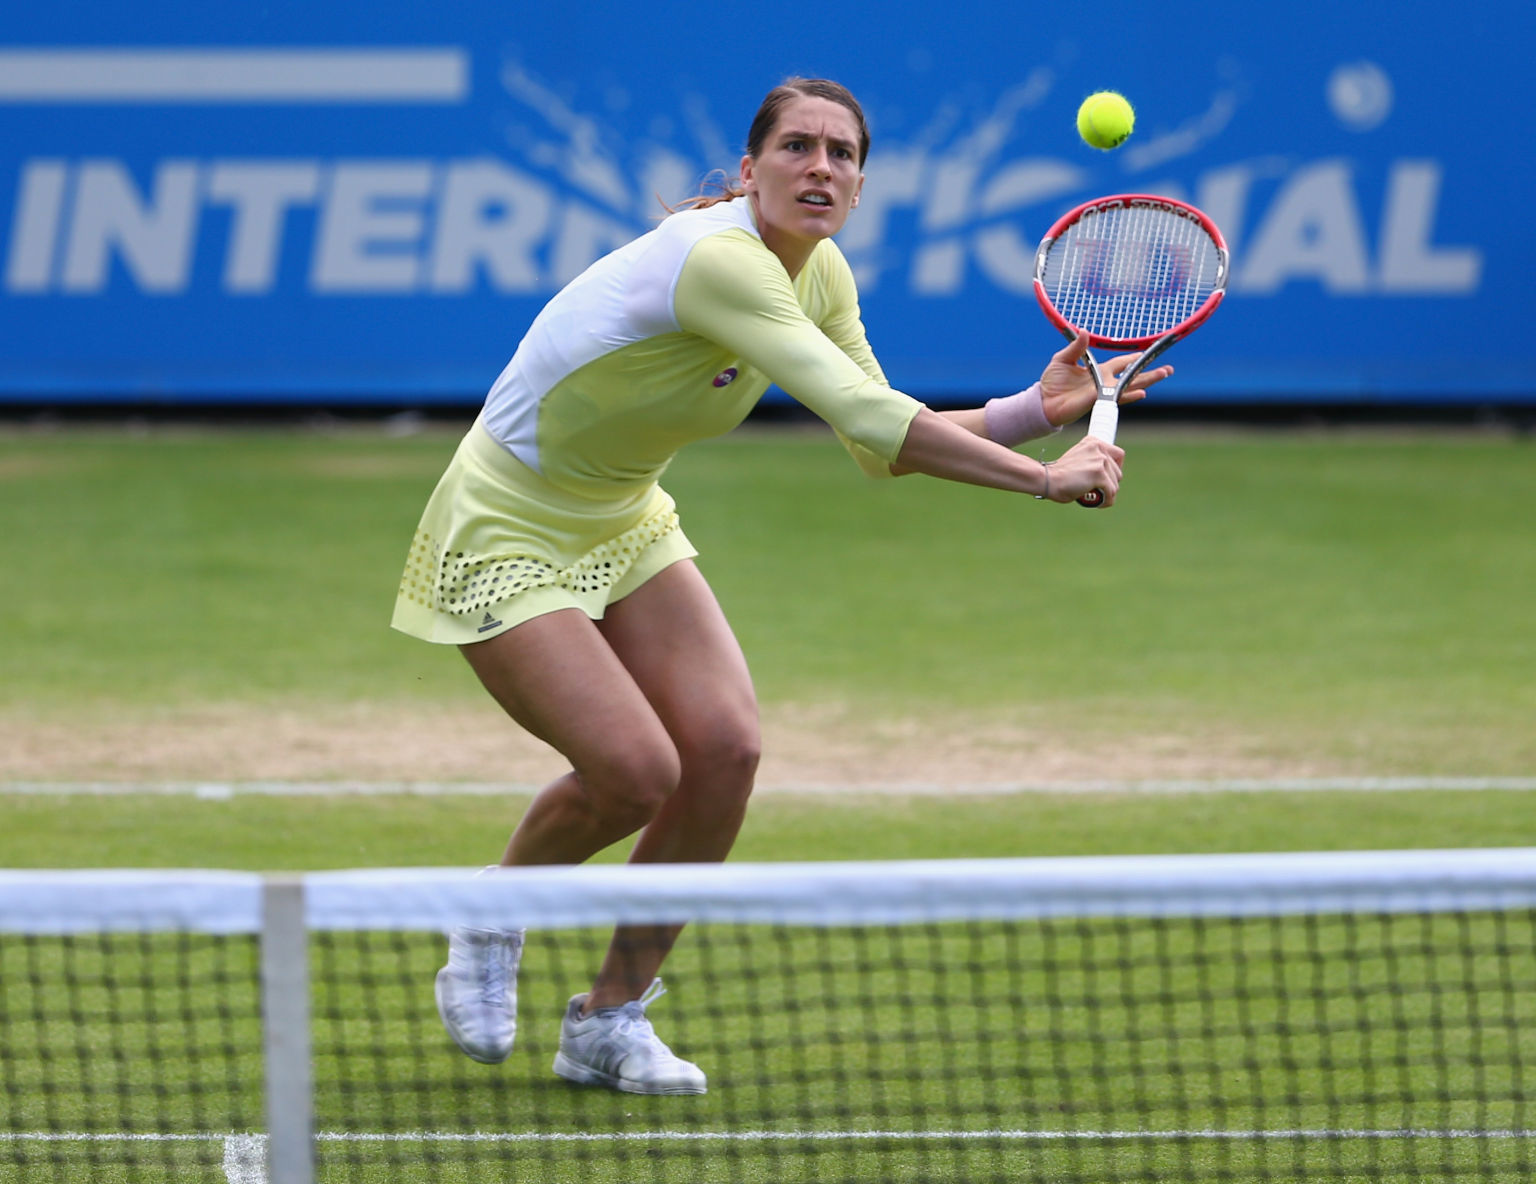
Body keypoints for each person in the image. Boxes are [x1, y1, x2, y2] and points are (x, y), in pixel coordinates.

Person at [391, 77, 1172, 1096]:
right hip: (504, 524)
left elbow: (875, 438)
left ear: (859, 182)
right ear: (750, 167)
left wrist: (1034, 409)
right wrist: (1043, 478)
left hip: (624, 515)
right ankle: (495, 908)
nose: (820, 168)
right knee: (634, 770)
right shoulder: (723, 261)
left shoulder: (823, 273)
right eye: (797, 147)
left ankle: (609, 1020)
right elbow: (871, 416)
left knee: (724, 748)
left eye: (842, 154)